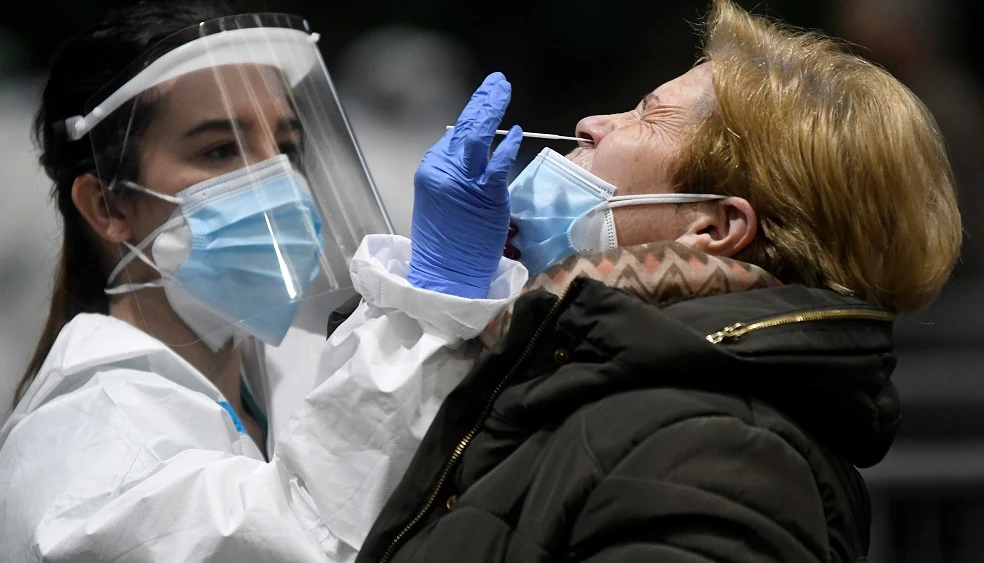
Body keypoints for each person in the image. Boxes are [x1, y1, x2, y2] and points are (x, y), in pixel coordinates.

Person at [337, 1, 963, 562]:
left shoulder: (724, 453)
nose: (590, 123)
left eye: (647, 114)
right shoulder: (587, 371)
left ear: (713, 228)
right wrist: (449, 299)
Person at [0, 2, 528, 562]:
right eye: (219, 150)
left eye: (286, 146)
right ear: (106, 205)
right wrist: (433, 303)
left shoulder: (294, 370)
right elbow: (291, 537)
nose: (280, 180)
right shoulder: (86, 448)